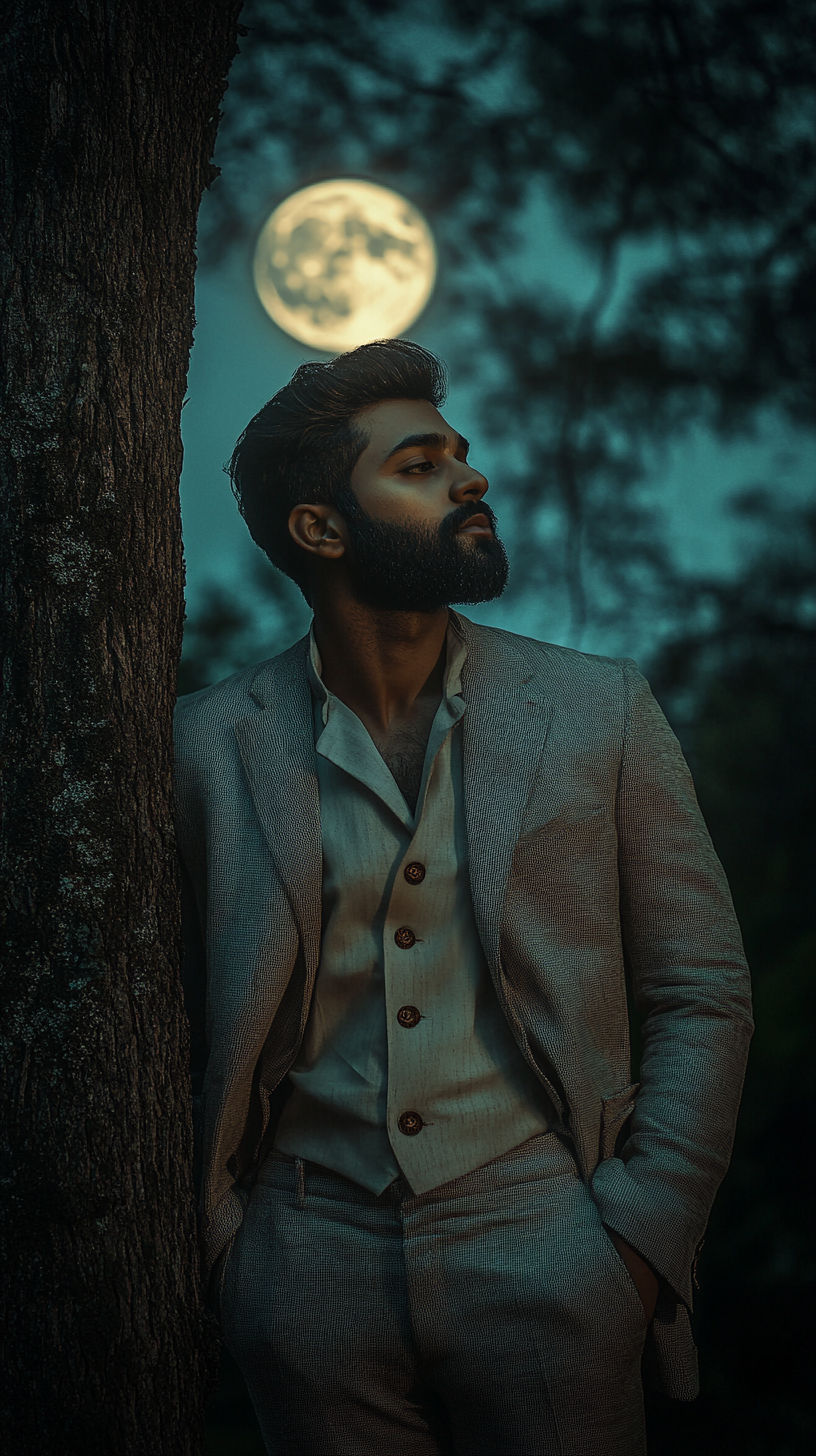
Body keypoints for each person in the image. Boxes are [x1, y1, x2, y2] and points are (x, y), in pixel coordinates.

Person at [174, 339, 753, 1456]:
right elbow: (178, 1019)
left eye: (462, 457)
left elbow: (700, 987)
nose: (470, 479)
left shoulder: (600, 711)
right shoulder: (202, 748)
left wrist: (636, 1244)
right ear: (320, 528)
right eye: (421, 466)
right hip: (305, 1267)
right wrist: (233, 1259)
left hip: (548, 1239)